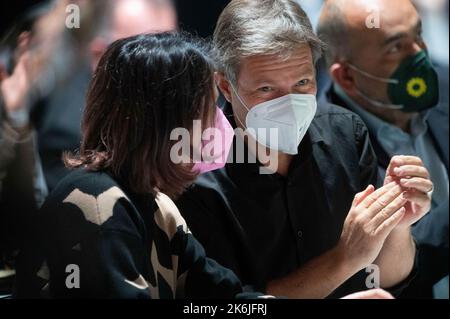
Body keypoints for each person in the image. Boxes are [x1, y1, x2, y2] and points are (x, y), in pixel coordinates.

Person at [176, 0, 433, 299]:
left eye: (302, 83)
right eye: (266, 89)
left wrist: (399, 225)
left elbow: (387, 278)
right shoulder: (195, 176)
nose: (289, 105)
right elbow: (232, 303)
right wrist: (344, 259)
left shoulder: (346, 134)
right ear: (225, 86)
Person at [317, 0, 449, 298]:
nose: (420, 55)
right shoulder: (320, 151)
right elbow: (376, 274)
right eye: (395, 48)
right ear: (346, 77)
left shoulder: (445, 85)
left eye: (418, 35)